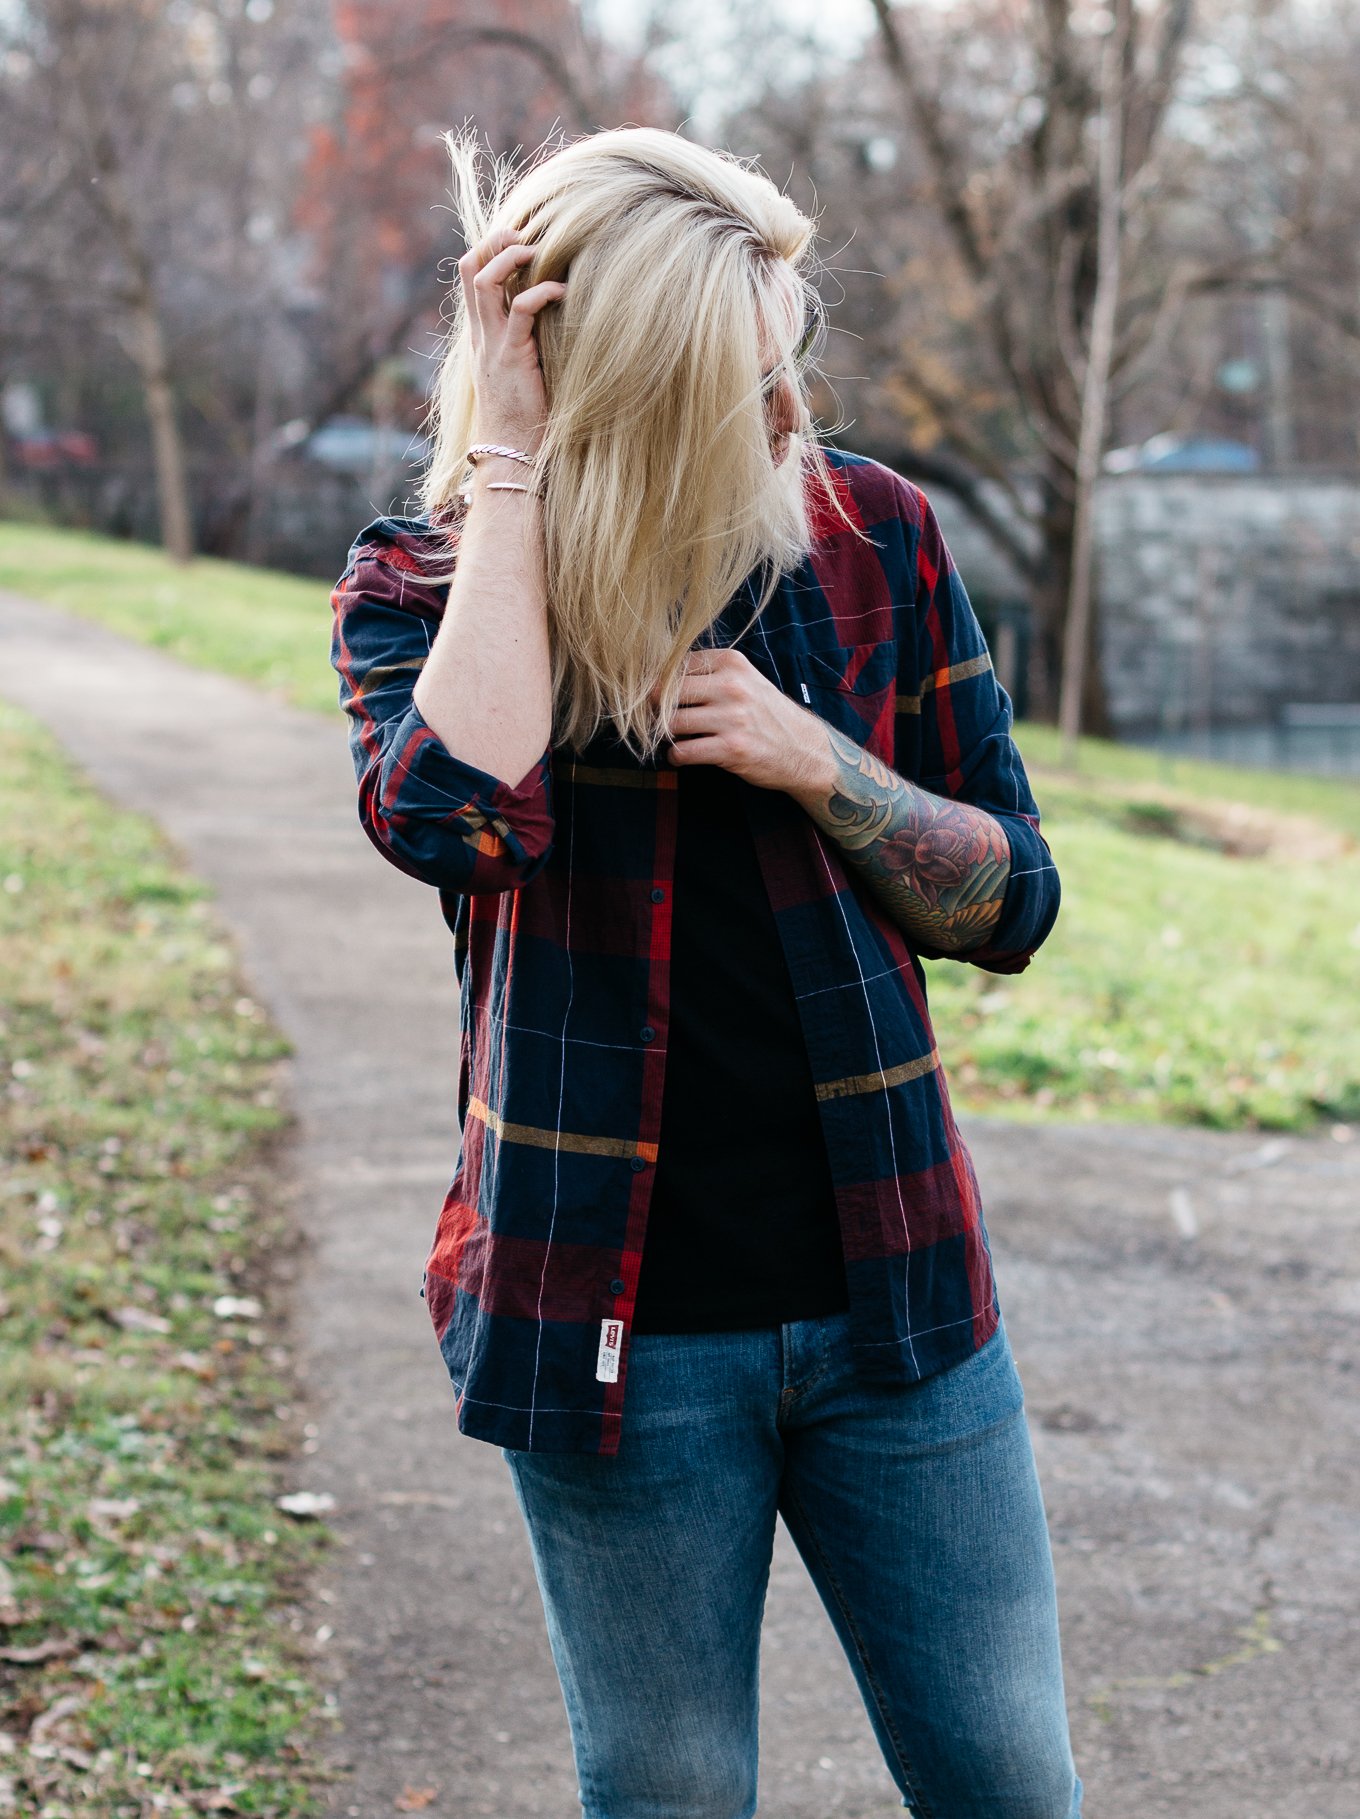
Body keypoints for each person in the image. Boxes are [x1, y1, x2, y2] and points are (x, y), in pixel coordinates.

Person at [330, 124, 1081, 1819]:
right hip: (609, 1333)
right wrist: (513, 469)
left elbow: (1016, 901)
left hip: (903, 1309)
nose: (781, 425)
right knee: (667, 1790)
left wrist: (824, 766)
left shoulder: (871, 537)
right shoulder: (431, 581)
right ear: (608, 383)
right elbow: (450, 817)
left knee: (1009, 1782)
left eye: (782, 368)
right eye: (725, 386)